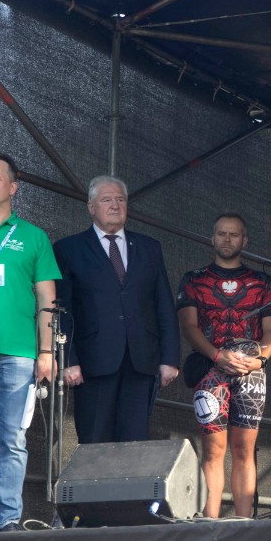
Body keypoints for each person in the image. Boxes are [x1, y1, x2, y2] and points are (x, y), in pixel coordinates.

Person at [53, 175, 180, 444]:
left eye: (120, 200)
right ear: (91, 207)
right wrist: (68, 360)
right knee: (94, 441)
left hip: (141, 361)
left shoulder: (149, 247)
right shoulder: (68, 248)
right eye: (107, 200)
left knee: (134, 443)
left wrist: (169, 358)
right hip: (92, 363)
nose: (115, 205)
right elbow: (63, 309)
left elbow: (164, 305)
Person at [176, 213, 271, 518]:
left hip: (251, 373)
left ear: (244, 241)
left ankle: (243, 522)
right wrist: (217, 356)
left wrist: (260, 359)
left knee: (244, 449)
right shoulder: (194, 279)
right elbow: (189, 327)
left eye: (234, 234)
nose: (227, 239)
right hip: (210, 371)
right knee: (213, 450)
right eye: (221, 233)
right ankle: (211, 523)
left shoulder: (262, 281)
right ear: (212, 238)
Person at [0, 151, 61, 532]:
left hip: (20, 353)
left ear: (13, 187)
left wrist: (46, 351)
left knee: (13, 439)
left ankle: (8, 520)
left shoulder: (34, 236)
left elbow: (47, 299)